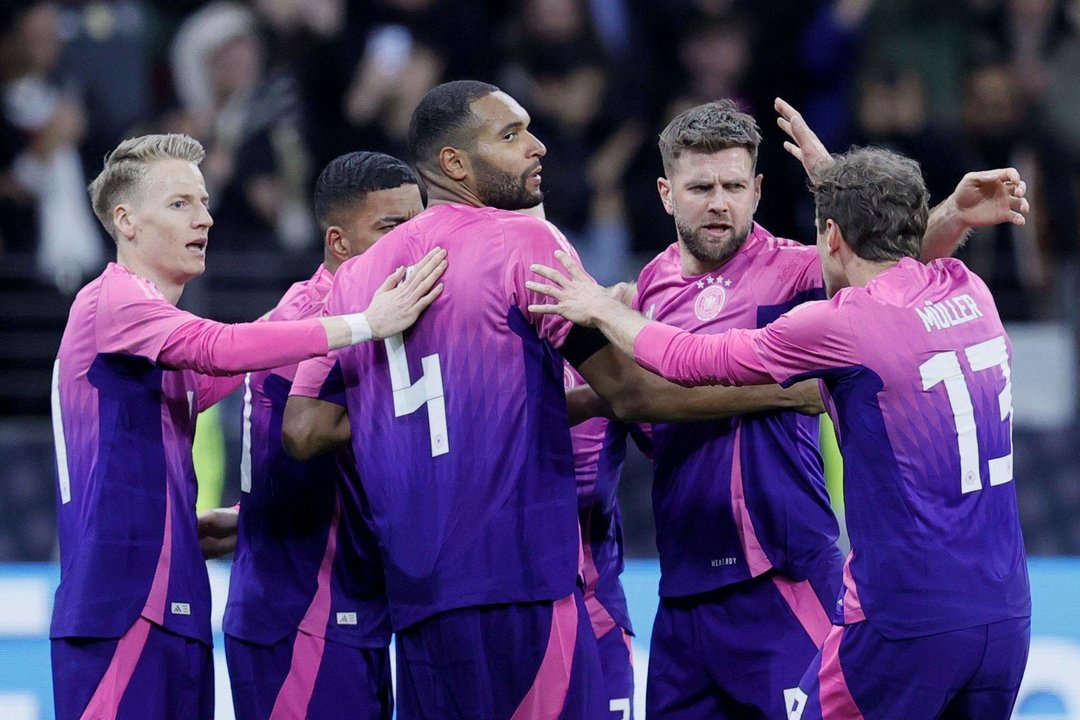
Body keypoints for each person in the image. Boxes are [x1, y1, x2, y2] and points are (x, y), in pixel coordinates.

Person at [281, 80, 820, 720]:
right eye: (510, 136)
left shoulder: (359, 277)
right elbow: (633, 393)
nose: (537, 147)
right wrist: (789, 390)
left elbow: (304, 427)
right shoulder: (527, 243)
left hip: (417, 598)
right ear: (454, 164)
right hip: (522, 584)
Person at [550, 98, 1030, 718]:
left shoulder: (795, 273)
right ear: (667, 194)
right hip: (686, 587)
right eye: (700, 187)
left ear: (758, 190)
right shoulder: (650, 289)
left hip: (784, 577)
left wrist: (945, 216)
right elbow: (640, 411)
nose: (718, 202)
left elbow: (883, 259)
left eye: (732, 185)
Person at [49, 133, 445, 720]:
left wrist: (296, 310)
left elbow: (229, 366)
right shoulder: (111, 301)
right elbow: (218, 348)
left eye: (204, 201)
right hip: (119, 607)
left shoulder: (152, 347)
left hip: (172, 605)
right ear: (125, 221)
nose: (204, 218)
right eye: (180, 203)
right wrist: (362, 321)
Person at [223, 151, 424, 720]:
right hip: (306, 616)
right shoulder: (322, 320)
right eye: (390, 229)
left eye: (418, 224)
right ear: (339, 242)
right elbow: (301, 434)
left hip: (335, 607)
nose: (412, 245)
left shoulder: (321, 312)